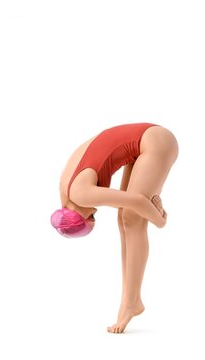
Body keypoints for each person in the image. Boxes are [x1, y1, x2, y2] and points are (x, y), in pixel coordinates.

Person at [51, 123, 178, 333]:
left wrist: (160, 220)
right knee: (124, 219)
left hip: (156, 141)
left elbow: (137, 201)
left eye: (91, 216)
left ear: (79, 216)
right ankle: (131, 299)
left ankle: (132, 302)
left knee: (133, 219)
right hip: (143, 141)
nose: (94, 212)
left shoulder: (81, 194)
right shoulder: (66, 189)